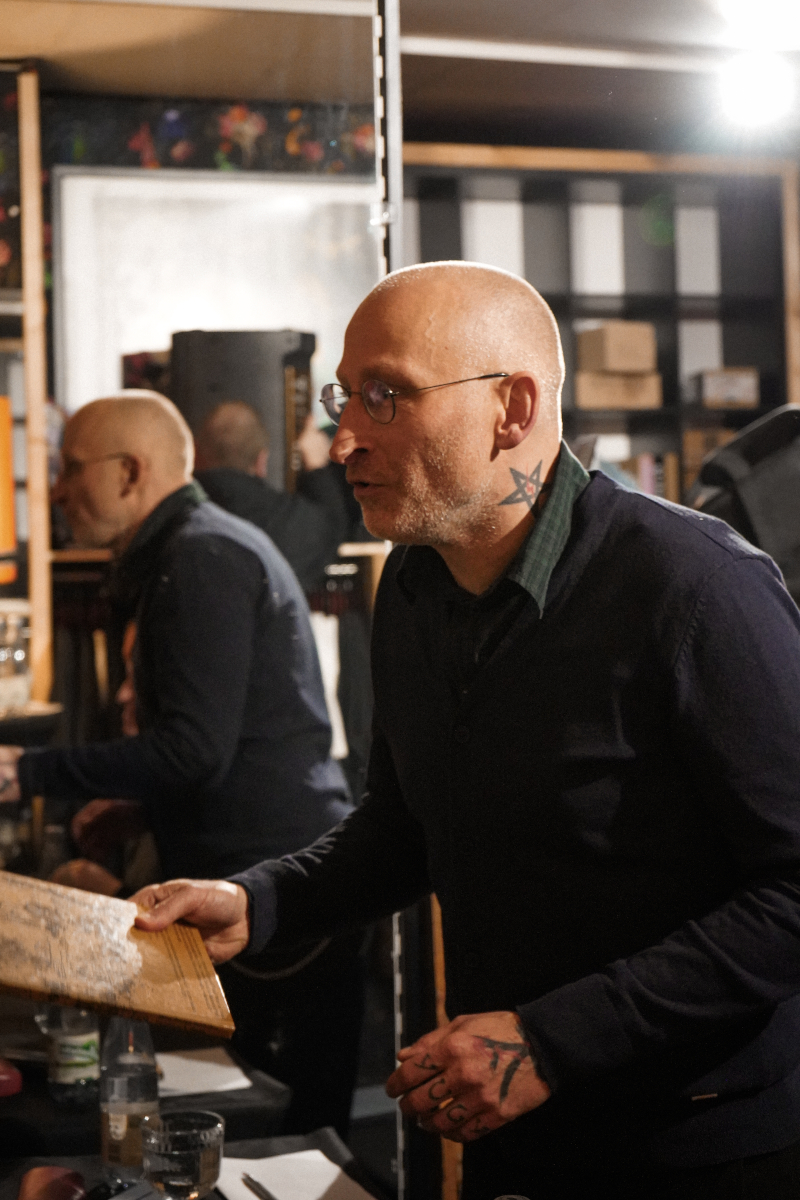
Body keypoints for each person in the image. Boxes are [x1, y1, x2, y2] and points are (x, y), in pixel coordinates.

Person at [128, 260, 800, 1199]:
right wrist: (261, 901)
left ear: (511, 408)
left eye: (386, 396)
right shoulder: (414, 585)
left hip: (698, 1153)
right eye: (344, 399)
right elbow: (405, 826)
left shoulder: (694, 589)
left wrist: (552, 1040)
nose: (343, 440)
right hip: (506, 1123)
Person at [0, 390, 361, 1138]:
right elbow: (228, 741)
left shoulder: (201, 556)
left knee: (283, 1135)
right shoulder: (193, 548)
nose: (59, 491)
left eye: (71, 469)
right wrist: (139, 808)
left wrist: (24, 772)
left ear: (130, 472)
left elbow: (193, 751)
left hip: (277, 894)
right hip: (262, 877)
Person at [194, 401, 350, 592]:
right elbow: (330, 526)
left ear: (194, 453)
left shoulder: (174, 514)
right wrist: (316, 467)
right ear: (261, 462)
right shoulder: (286, 528)